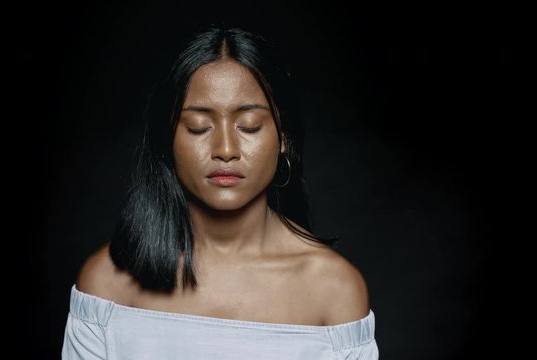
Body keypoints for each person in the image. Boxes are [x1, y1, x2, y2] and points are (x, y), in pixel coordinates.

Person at [62, 27, 378, 359]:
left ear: (283, 137)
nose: (225, 149)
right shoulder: (107, 284)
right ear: (167, 140)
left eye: (250, 126)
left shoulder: (334, 289)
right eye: (199, 127)